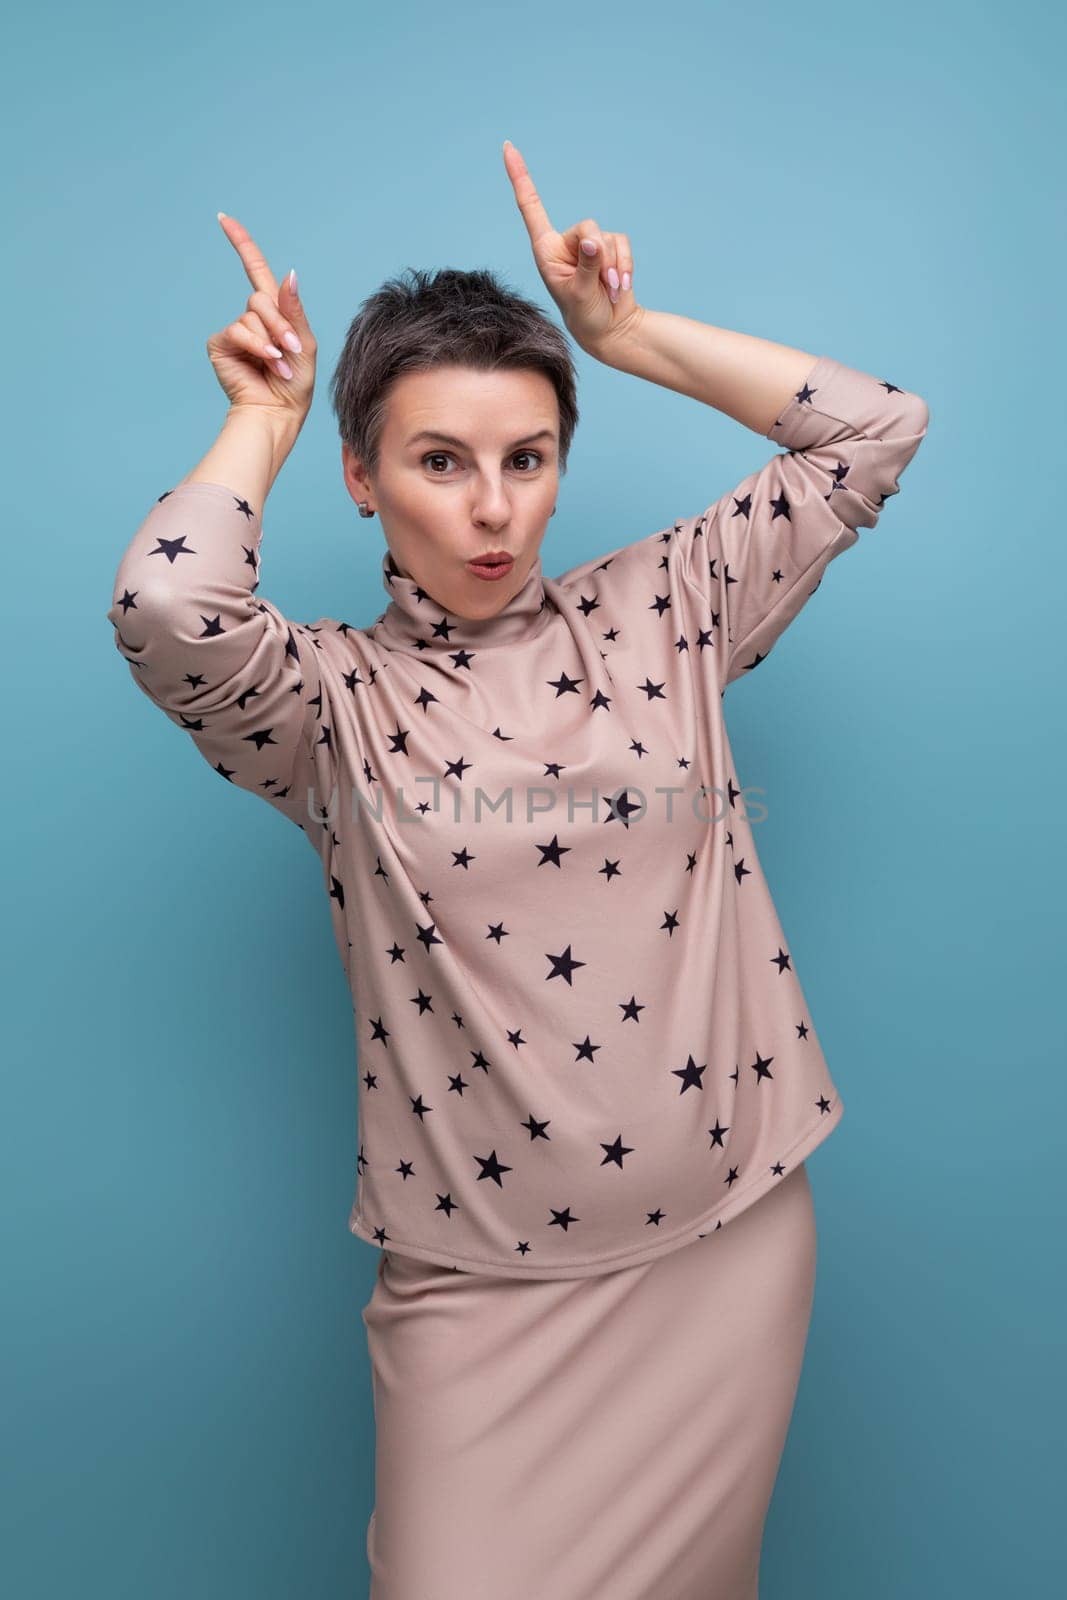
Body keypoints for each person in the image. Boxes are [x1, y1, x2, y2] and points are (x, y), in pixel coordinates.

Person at [105, 141, 929, 1599]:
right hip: (482, 1292)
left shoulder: (668, 608)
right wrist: (264, 418)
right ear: (361, 478)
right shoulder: (322, 707)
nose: (492, 508)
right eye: (438, 460)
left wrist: (623, 337)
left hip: (729, 1248)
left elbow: (874, 428)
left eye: (527, 458)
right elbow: (166, 601)